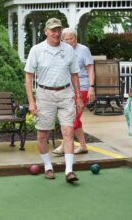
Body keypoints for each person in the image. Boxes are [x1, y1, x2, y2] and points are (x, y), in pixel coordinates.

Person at [24, 18, 84, 183]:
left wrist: (78, 96)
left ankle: (69, 170)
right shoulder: (37, 50)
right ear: (46, 32)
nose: (56, 33)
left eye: (58, 30)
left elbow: (74, 74)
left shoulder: (68, 50)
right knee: (43, 133)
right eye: (53, 30)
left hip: (65, 93)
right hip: (44, 94)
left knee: (68, 132)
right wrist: (31, 102)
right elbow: (28, 77)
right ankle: (48, 166)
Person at [52, 28, 95, 156]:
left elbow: (90, 69)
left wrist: (91, 87)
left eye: (72, 38)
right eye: (67, 39)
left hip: (82, 87)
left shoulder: (83, 50)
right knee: (75, 119)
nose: (71, 41)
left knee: (72, 119)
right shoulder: (62, 51)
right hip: (67, 89)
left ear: (76, 38)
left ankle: (64, 145)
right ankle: (83, 146)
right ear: (63, 40)